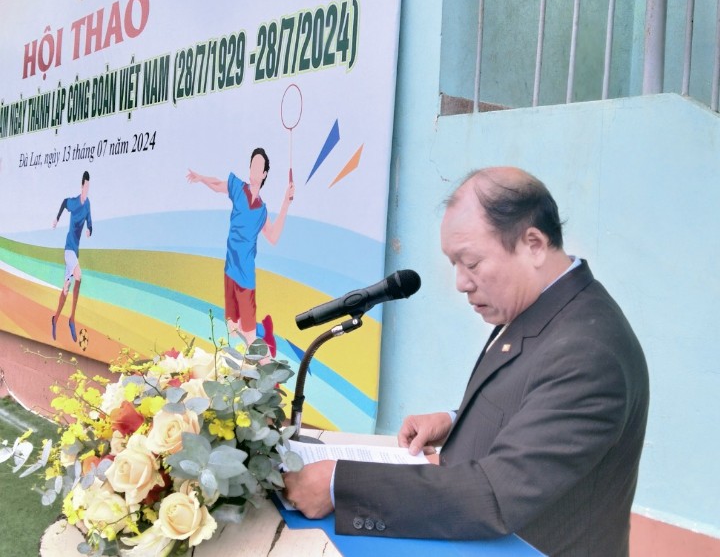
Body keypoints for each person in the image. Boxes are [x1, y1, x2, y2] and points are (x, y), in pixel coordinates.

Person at [283, 166, 649, 557]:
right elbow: (535, 396)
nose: (460, 282)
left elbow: (496, 494)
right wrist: (458, 419)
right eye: (454, 263)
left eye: (471, 263)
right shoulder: (540, 307)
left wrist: (339, 484)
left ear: (534, 245)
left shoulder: (589, 350)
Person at [187, 148, 294, 353]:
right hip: (230, 271)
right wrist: (201, 178)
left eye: (259, 166)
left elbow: (272, 236)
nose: (254, 169)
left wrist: (285, 203)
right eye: (252, 165)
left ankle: (266, 367)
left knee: (250, 335)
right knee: (232, 329)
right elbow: (218, 184)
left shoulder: (262, 210)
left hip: (245, 278)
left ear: (264, 174)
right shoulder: (238, 188)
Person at [52, 170, 93, 342]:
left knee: (66, 289)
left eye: (89, 187)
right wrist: (57, 218)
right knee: (79, 277)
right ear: (81, 185)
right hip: (69, 249)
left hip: (75, 251)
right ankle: (72, 318)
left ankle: (55, 318)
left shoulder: (87, 204)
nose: (87, 190)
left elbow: (89, 220)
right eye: (85, 186)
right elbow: (63, 202)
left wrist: (90, 229)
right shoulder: (75, 202)